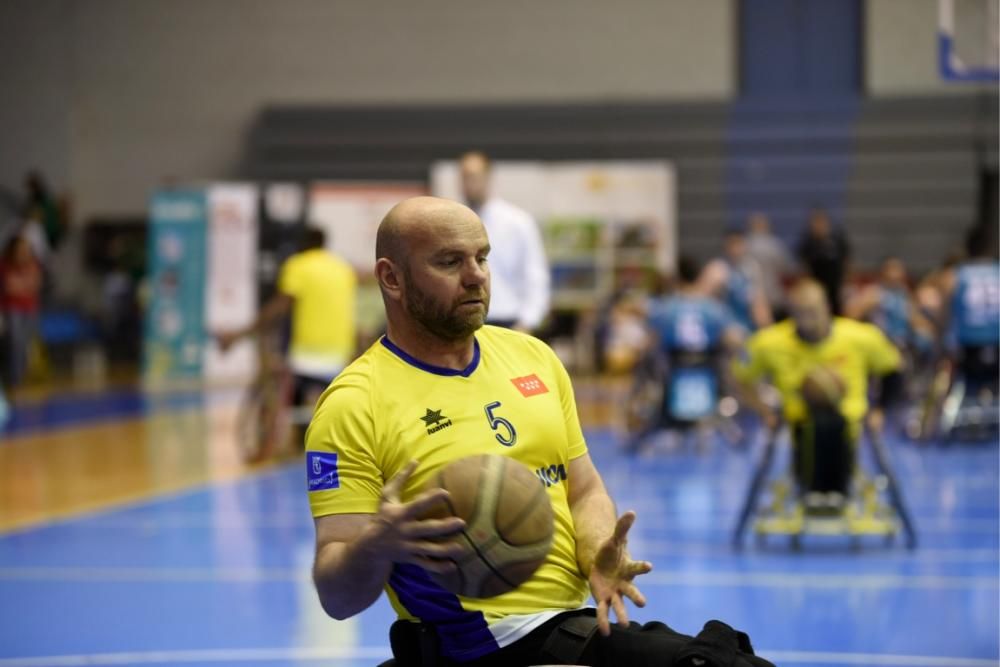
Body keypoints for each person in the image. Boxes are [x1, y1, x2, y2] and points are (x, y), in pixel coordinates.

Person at [305, 197, 772, 667]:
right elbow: (336, 597)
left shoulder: (534, 358)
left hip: (574, 624)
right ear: (391, 278)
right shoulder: (353, 404)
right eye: (449, 262)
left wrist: (594, 551)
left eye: (482, 258)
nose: (476, 276)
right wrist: (377, 545)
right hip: (485, 646)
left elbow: (583, 487)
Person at [733, 280, 901, 497]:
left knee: (834, 431)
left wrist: (880, 409)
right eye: (800, 313)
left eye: (813, 312)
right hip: (799, 423)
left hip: (848, 422)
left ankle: (840, 487)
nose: (808, 320)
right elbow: (740, 375)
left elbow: (894, 369)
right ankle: (807, 487)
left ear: (827, 308)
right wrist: (763, 410)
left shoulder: (861, 337)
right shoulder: (769, 343)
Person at [217, 226, 356, 414]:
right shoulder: (343, 268)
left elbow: (277, 309)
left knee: (284, 407)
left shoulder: (298, 265)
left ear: (301, 244)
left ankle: (284, 438)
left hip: (305, 359)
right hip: (340, 359)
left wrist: (237, 335)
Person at [626, 256, 745, 452]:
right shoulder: (713, 308)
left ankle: (643, 423)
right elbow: (732, 337)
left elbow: (650, 340)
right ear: (698, 276)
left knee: (650, 366)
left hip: (673, 371)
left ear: (677, 278)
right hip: (707, 369)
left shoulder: (666, 308)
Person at [459, 151, 549, 333]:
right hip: (465, 320)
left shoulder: (518, 222)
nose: (469, 184)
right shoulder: (453, 222)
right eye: (465, 177)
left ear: (488, 177)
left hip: (509, 321)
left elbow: (535, 276)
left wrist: (527, 322)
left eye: (474, 177)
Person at [702, 228, 772, 331]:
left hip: (747, 325)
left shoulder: (751, 268)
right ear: (725, 246)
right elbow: (702, 301)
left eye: (739, 244)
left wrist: (766, 326)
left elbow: (759, 300)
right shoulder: (717, 268)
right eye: (732, 244)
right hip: (725, 327)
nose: (735, 248)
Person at [0, 233, 43, 389]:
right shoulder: (5, 264)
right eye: (21, 248)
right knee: (15, 341)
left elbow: (35, 285)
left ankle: (20, 376)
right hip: (12, 309)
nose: (24, 251)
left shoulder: (33, 263)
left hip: (30, 308)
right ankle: (14, 379)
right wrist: (24, 286)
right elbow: (10, 288)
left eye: (26, 248)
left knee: (25, 343)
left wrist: (22, 286)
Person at [797, 208, 849, 315]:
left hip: (836, 287)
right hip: (817, 288)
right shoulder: (808, 244)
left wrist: (846, 284)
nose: (818, 226)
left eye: (821, 222)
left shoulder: (837, 241)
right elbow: (803, 268)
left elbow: (847, 262)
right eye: (815, 223)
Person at [745, 213, 793, 319]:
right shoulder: (775, 245)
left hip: (752, 298)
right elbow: (787, 270)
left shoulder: (745, 246)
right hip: (774, 297)